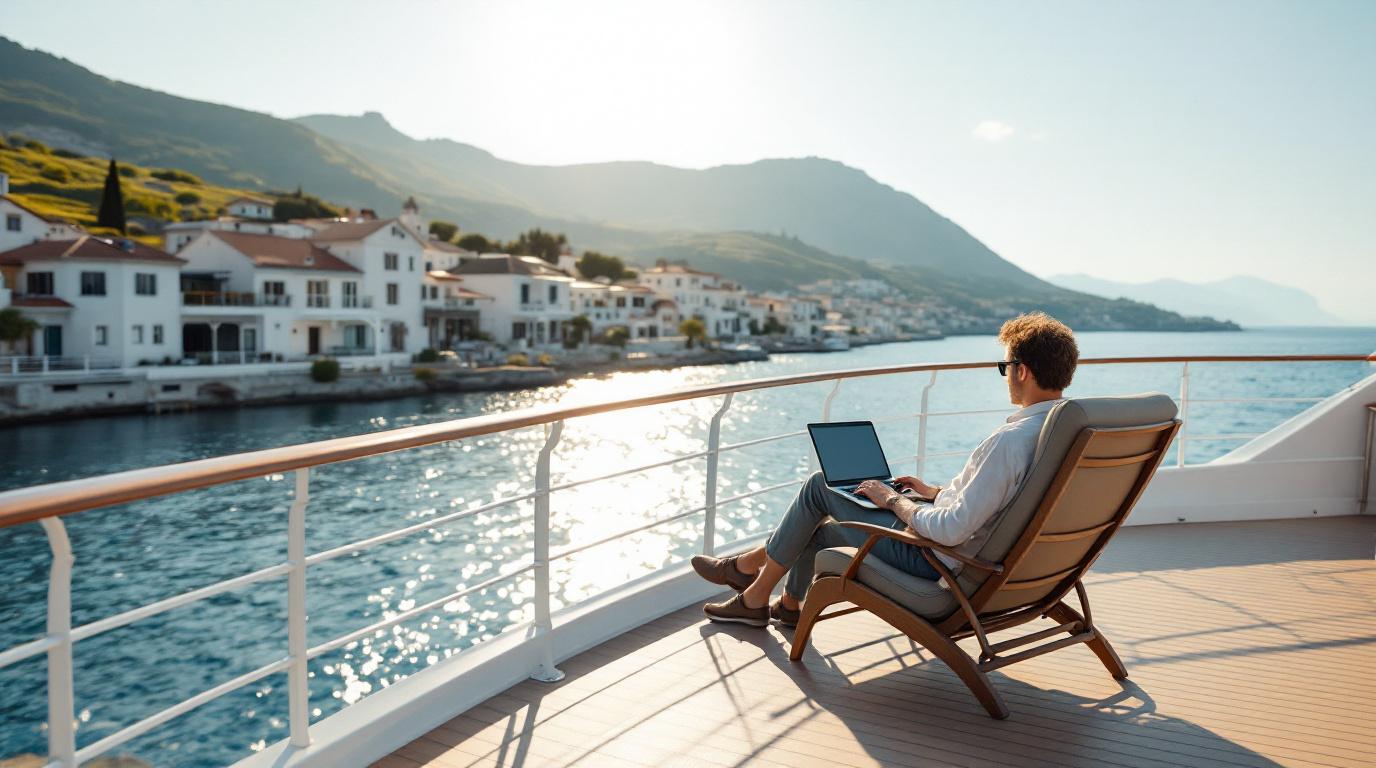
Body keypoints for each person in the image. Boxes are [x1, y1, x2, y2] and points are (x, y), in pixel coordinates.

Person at [693, 312, 1080, 627]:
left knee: (820, 486)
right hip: (990, 564)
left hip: (932, 560)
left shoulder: (1009, 442)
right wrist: (933, 493)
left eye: (1005, 366)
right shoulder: (1059, 436)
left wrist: (893, 500)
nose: (1005, 374)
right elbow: (991, 506)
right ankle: (785, 603)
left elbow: (952, 530)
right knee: (819, 528)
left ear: (1022, 371)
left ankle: (751, 586)